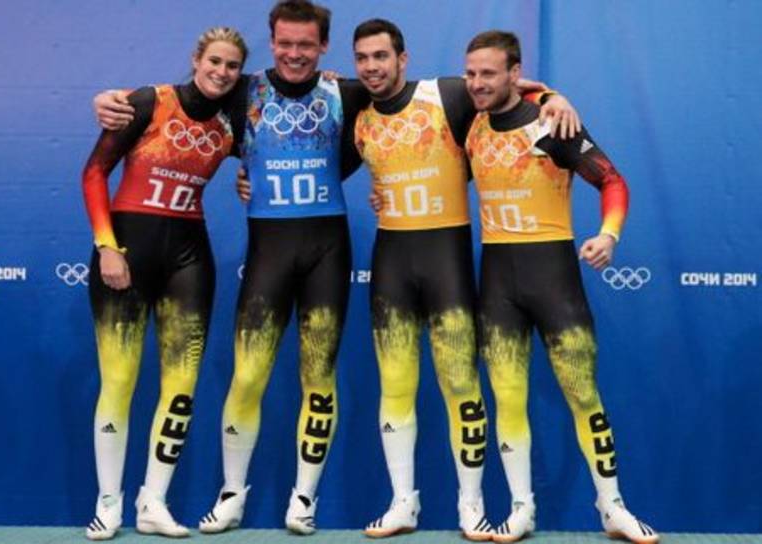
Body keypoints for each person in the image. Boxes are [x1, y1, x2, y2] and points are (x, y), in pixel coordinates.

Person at [94, 1, 368, 534]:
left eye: (305, 45)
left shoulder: (348, 92)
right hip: (268, 256)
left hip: (328, 254)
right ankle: (231, 495)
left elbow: (421, 98)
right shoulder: (241, 90)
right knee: (246, 378)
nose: (294, 53)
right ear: (271, 41)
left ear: (323, 46)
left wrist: (535, 95)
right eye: (284, 43)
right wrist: (108, 99)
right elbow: (181, 100)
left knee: (319, 378)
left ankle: (304, 499)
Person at [350, 19, 578, 540]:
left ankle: (469, 505)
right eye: (362, 58)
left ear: (402, 59)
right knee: (395, 388)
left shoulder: (448, 94)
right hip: (390, 266)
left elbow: (509, 90)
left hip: (447, 266)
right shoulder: (357, 115)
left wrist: (554, 96)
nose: (371, 67)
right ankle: (402, 503)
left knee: (461, 386)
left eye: (381, 56)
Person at [463, 30, 659, 544]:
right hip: (498, 284)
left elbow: (613, 181)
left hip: (554, 279)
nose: (477, 83)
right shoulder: (471, 122)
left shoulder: (552, 122)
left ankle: (612, 507)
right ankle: (520, 509)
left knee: (583, 395)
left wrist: (609, 235)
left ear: (514, 73)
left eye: (489, 73)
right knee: (507, 399)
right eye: (471, 73)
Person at [81, 27, 247, 540]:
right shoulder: (149, 102)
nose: (221, 72)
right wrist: (107, 246)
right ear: (197, 59)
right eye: (214, 61)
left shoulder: (233, 121)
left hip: (189, 259)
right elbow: (94, 173)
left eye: (232, 66)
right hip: (126, 253)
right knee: (119, 382)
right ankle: (109, 502)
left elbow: (281, 123)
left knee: (181, 386)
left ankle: (154, 500)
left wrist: (249, 181)